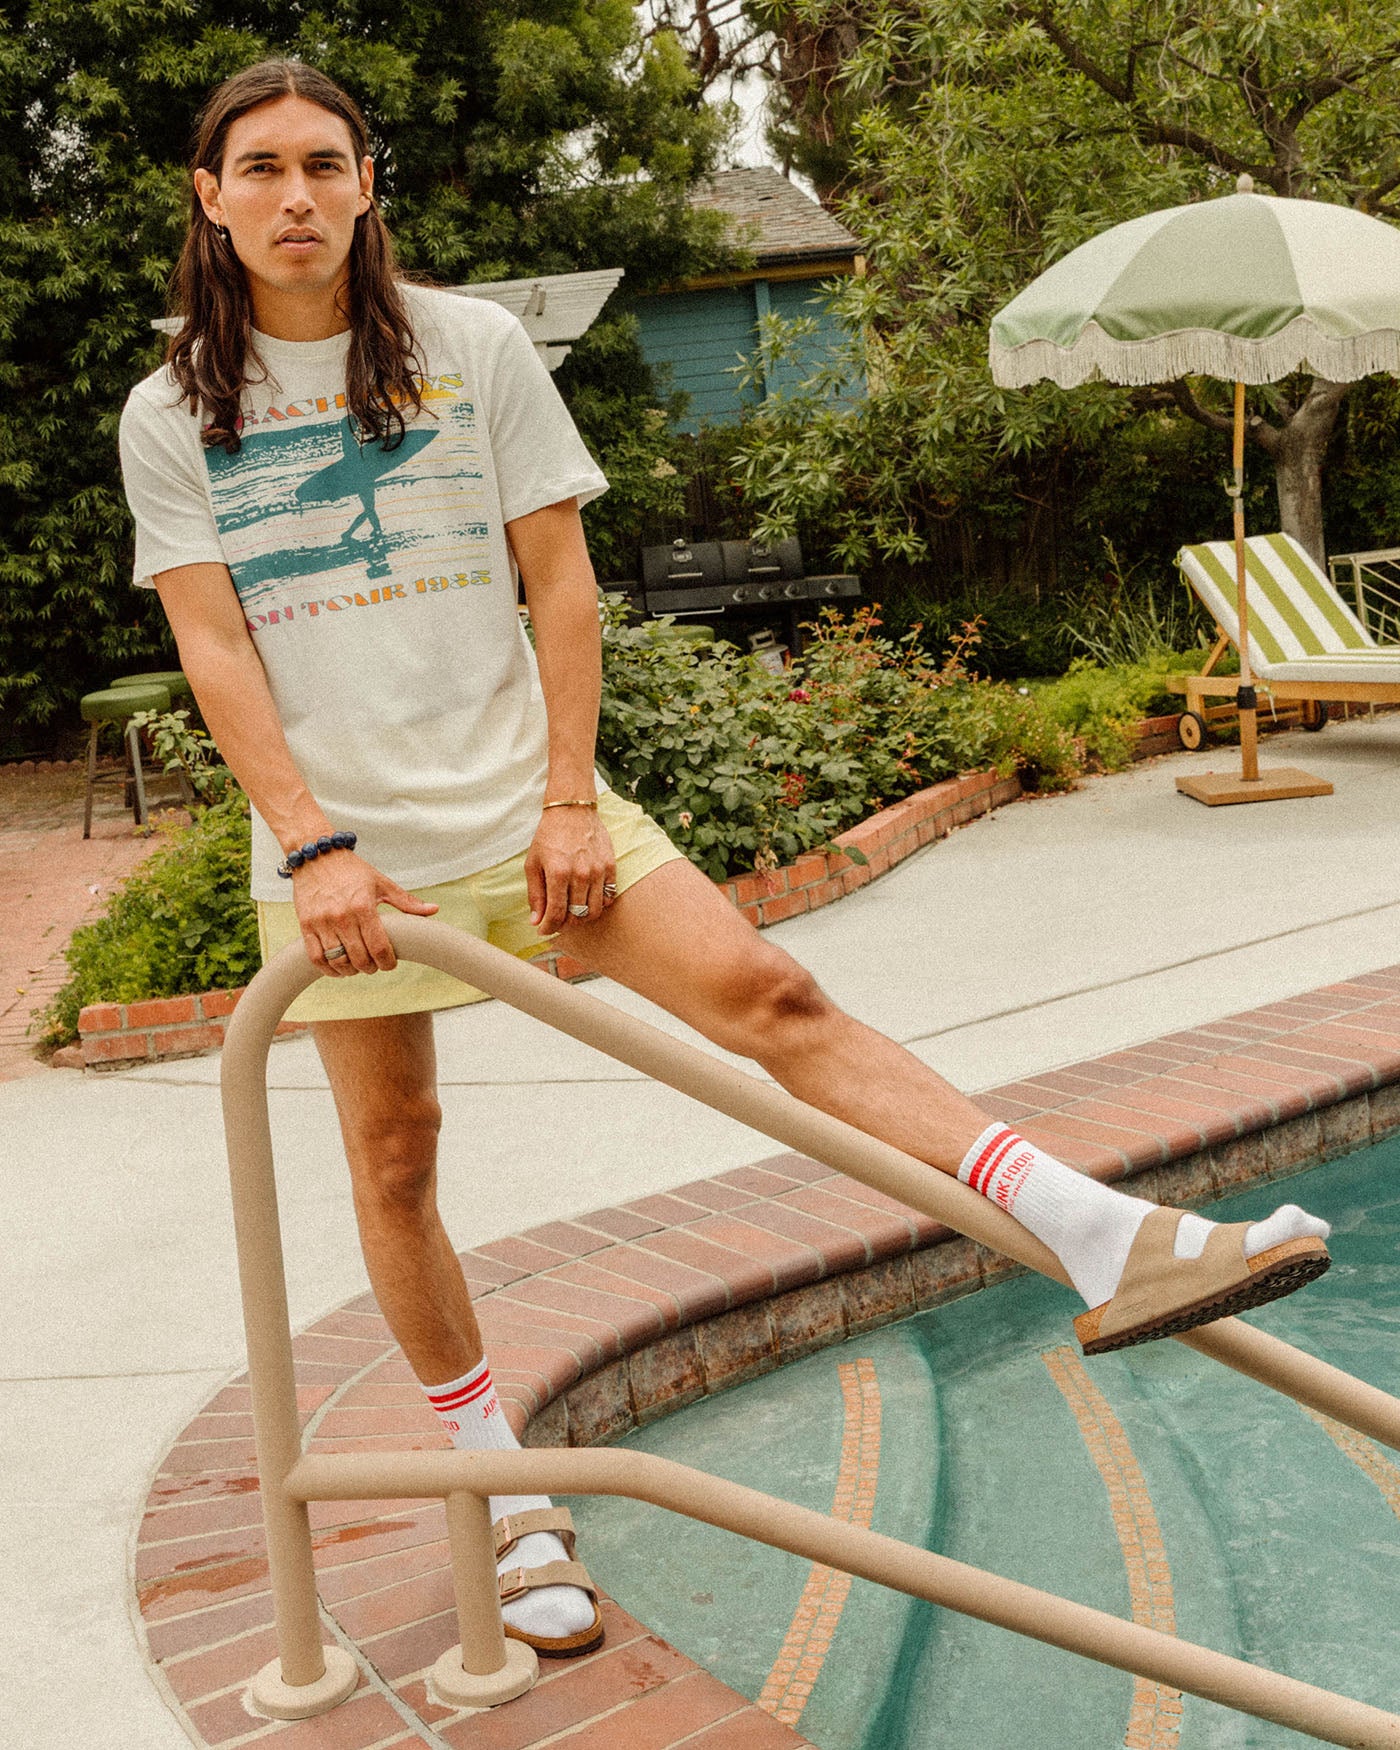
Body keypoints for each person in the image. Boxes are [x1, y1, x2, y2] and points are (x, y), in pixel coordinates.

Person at [119, 59, 1332, 1662]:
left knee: (773, 992)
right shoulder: (171, 415)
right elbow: (214, 644)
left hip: (530, 808)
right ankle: (506, 1492)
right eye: (263, 167)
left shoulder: (469, 349)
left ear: (366, 185)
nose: (296, 196)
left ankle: (1112, 1238)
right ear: (210, 196)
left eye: (324, 164)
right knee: (395, 1156)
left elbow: (561, 583)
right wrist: (312, 843)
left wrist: (568, 800)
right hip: (345, 858)